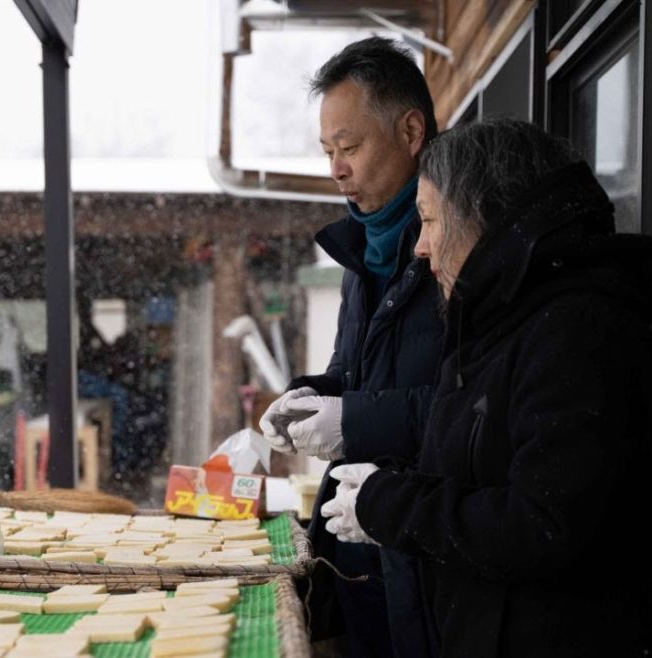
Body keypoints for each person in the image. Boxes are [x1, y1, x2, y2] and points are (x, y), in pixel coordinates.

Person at [321, 118, 652, 656]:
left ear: (485, 216)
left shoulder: (578, 335)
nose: (420, 249)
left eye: (429, 221)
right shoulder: (496, 330)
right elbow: (475, 468)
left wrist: (393, 507)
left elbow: (545, 525)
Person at [259, 37, 443, 657]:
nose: (336, 169)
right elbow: (356, 373)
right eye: (328, 151)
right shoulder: (362, 248)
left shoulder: (457, 245)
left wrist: (356, 420)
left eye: (351, 147)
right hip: (359, 545)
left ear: (411, 131)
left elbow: (480, 408)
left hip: (433, 558)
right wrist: (311, 399)